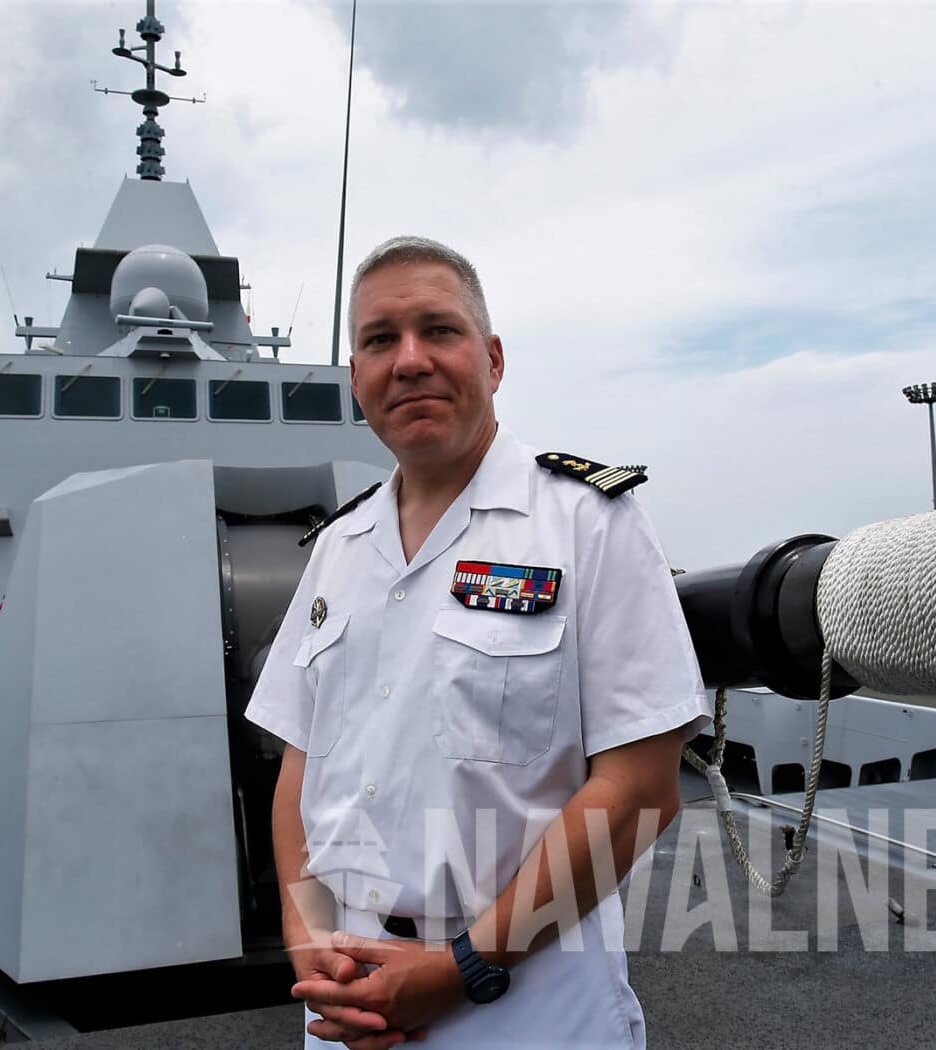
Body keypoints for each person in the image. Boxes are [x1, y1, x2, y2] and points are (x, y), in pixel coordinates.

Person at [244, 236, 711, 1049]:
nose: (410, 360)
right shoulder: (337, 549)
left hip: (528, 1001)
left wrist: (461, 967)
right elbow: (299, 773)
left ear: (492, 360)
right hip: (346, 998)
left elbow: (641, 788)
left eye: (439, 330)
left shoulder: (587, 523)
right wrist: (309, 937)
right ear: (357, 377)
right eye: (380, 340)